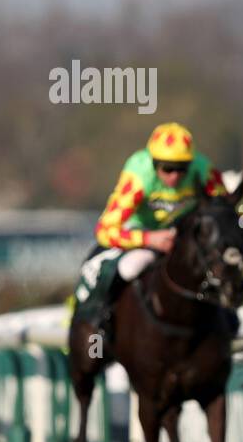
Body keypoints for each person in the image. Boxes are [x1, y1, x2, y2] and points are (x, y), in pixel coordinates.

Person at [75, 122, 227, 333]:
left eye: (182, 169)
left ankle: (226, 315)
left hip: (182, 234)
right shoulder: (139, 175)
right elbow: (104, 231)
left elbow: (225, 212)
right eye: (167, 168)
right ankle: (103, 321)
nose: (174, 176)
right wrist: (149, 239)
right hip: (142, 232)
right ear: (153, 163)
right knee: (131, 266)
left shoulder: (203, 170)